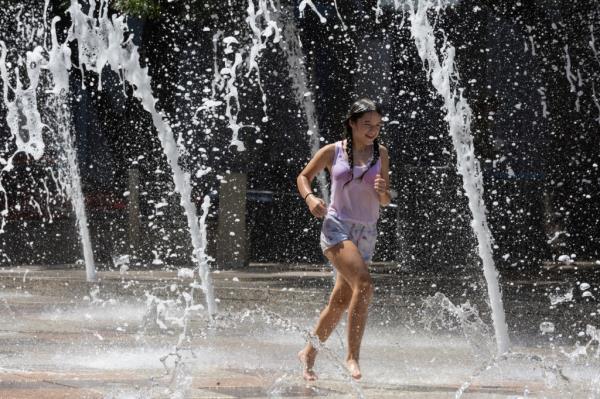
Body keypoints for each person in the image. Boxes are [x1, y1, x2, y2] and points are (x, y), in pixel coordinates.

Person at [296, 98, 391, 381]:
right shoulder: (332, 151)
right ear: (352, 123)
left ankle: (309, 352)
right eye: (366, 125)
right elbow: (303, 176)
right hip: (337, 227)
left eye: (377, 125)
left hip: (367, 231)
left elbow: (384, 201)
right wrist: (310, 197)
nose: (373, 130)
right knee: (364, 284)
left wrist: (385, 191)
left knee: (339, 301)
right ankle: (352, 356)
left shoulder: (381, 153)